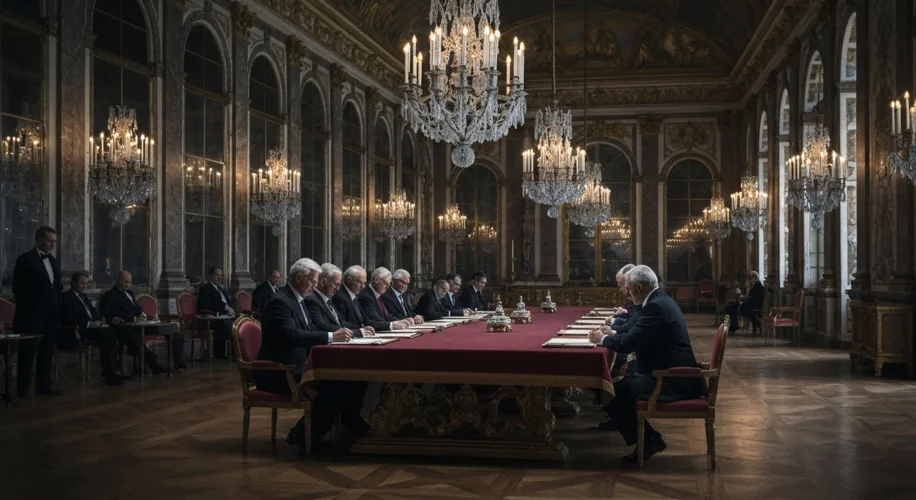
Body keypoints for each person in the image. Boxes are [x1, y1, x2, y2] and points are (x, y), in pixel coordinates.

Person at [589, 265, 707, 463]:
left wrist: (601, 339)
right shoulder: (658, 299)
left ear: (638, 287)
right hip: (665, 371)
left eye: (627, 287)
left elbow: (628, 343)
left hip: (671, 378)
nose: (626, 292)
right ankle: (650, 439)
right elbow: (634, 334)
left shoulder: (655, 306)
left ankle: (648, 441)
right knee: (616, 386)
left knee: (609, 391)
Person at [255, 258, 360, 453]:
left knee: (345, 380)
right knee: (334, 386)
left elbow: (310, 330)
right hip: (279, 371)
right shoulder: (280, 302)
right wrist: (331, 336)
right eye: (312, 281)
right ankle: (304, 435)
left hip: (298, 365)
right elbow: (291, 335)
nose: (315, 285)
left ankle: (329, 429)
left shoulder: (298, 300)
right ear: (299, 277)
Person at [12, 226, 63, 397]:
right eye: (49, 241)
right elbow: (18, 288)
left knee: (46, 352)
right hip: (31, 316)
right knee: (27, 354)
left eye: (54, 241)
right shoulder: (25, 260)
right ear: (39, 240)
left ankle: (44, 386)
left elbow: (57, 288)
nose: (52, 244)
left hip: (50, 316)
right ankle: (23, 389)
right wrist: (33, 308)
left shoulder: (54, 262)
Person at [98, 271, 172, 374]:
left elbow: (137, 310)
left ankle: (172, 363)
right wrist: (113, 319)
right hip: (121, 329)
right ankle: (152, 363)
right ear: (118, 281)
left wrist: (151, 317)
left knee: (167, 329)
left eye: (129, 282)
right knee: (135, 338)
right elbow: (105, 313)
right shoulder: (109, 295)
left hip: (135, 326)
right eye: (125, 282)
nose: (127, 284)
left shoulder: (130, 293)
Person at [58, 271, 123, 386]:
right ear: (73, 283)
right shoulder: (66, 297)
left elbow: (94, 313)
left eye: (86, 283)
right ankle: (110, 372)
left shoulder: (83, 297)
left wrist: (105, 320)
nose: (85, 286)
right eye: (82, 283)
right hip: (78, 331)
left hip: (92, 329)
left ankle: (110, 371)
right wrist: (89, 324)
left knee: (112, 333)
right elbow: (67, 318)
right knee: (108, 336)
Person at [334, 265, 410, 332]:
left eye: (364, 283)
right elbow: (342, 323)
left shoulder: (354, 296)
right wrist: (362, 329)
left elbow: (367, 320)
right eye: (360, 282)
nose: (363, 286)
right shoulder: (344, 296)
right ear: (349, 280)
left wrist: (397, 322)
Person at [305, 263, 369, 336]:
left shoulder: (328, 300)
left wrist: (361, 329)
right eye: (336, 284)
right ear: (323, 282)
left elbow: (340, 322)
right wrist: (355, 332)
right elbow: (320, 325)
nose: (338, 289)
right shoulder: (312, 299)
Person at [196, 266, 236, 357]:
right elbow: (202, 308)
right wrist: (224, 312)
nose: (220, 277)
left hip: (226, 317)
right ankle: (231, 355)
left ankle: (239, 354)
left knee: (241, 323)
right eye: (217, 275)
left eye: (221, 275)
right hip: (213, 319)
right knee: (231, 326)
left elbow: (228, 304)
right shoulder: (205, 289)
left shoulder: (221, 289)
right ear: (210, 276)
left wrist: (232, 309)